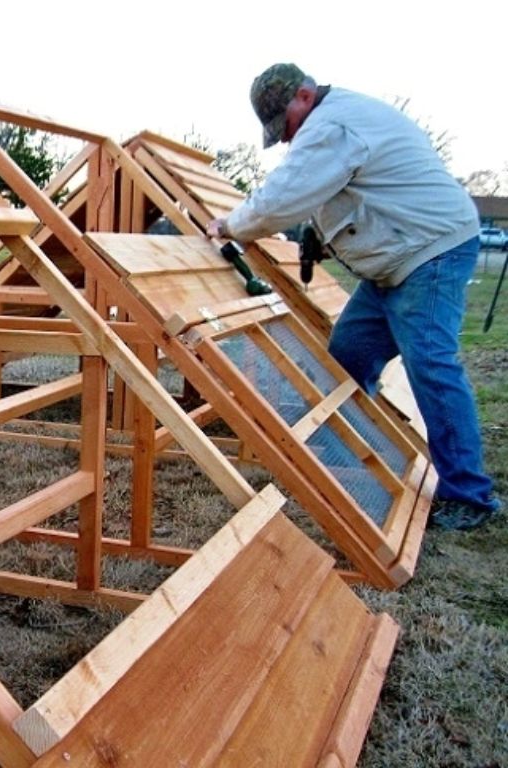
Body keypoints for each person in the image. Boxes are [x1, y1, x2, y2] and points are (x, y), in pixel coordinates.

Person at [207, 62, 500, 531]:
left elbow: (285, 195)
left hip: (429, 252)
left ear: (304, 96)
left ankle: (468, 494)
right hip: (395, 260)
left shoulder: (332, 125)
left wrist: (231, 226)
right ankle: (358, 456)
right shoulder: (340, 122)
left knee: (431, 364)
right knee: (347, 357)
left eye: (287, 126)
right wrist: (319, 237)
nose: (286, 139)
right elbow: (343, 194)